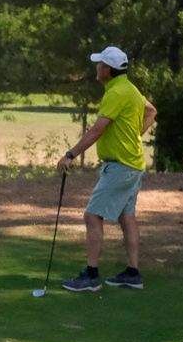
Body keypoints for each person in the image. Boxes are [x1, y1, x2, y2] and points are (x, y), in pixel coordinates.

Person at [58, 45, 156, 292]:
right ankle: (133, 273)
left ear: (108, 70)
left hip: (121, 166)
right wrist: (135, 134)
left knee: (92, 215)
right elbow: (151, 111)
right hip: (134, 163)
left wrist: (71, 154)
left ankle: (91, 276)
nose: (96, 67)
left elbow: (97, 129)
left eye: (100, 64)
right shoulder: (130, 90)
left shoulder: (115, 93)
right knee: (127, 217)